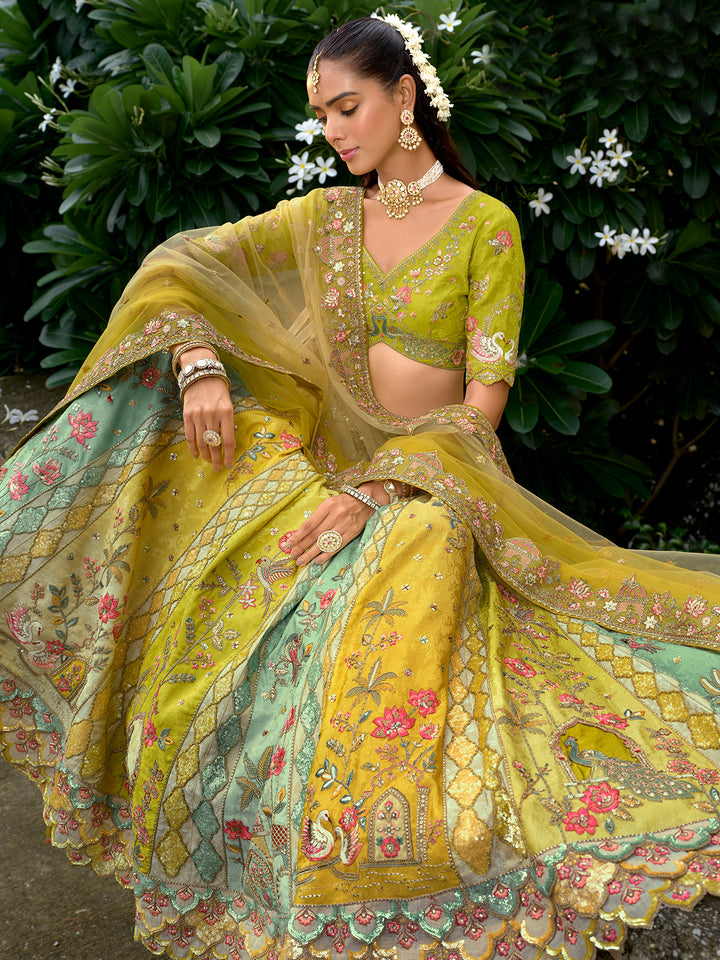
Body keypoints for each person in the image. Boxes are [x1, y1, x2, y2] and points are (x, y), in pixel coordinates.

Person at [1, 14, 720, 960]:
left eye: (348, 108)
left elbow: (482, 407)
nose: (335, 132)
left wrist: (386, 488)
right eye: (324, 117)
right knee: (179, 444)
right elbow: (181, 263)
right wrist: (198, 362)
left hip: (435, 480)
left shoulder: (486, 226)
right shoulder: (325, 219)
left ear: (404, 96)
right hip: (320, 472)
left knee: (411, 563)